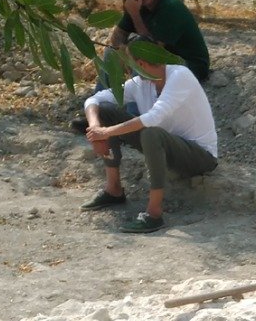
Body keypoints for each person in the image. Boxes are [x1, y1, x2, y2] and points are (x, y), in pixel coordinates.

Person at [79, 37, 218, 234]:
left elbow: (153, 117)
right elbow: (95, 99)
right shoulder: (141, 84)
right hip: (163, 146)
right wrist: (95, 130)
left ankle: (154, 213)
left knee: (152, 133)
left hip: (199, 157)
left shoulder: (180, 75)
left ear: (141, 63)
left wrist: (107, 132)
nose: (130, 69)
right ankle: (114, 189)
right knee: (106, 110)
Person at [110, 0, 211, 84]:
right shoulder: (138, 3)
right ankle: (102, 98)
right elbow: (118, 36)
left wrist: (135, 14)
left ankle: (137, 102)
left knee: (141, 55)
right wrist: (122, 55)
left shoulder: (171, 7)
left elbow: (151, 50)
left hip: (190, 66)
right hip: (166, 61)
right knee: (110, 53)